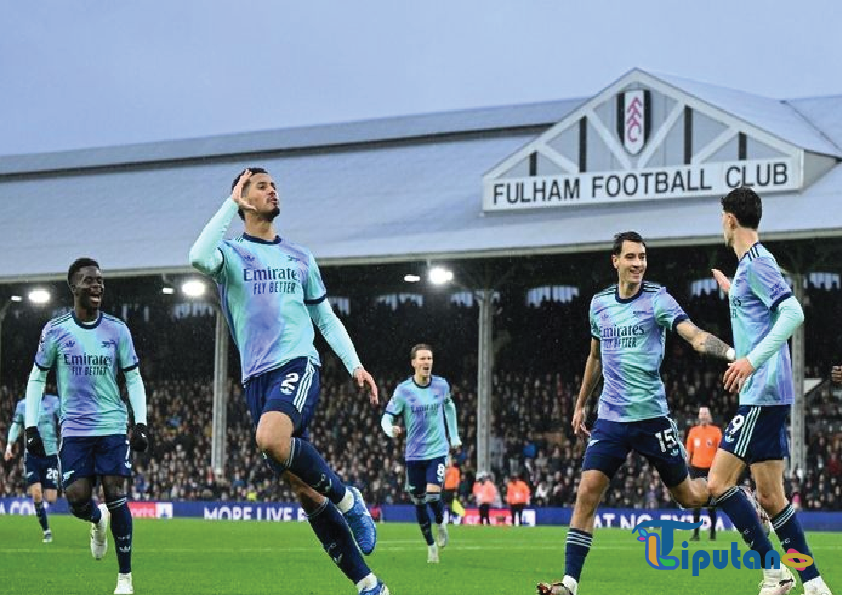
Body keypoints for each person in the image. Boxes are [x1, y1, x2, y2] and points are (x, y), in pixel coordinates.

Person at [189, 168, 387, 595]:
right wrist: (230, 201)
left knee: (270, 439)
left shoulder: (300, 257)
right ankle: (369, 584)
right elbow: (197, 257)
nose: (272, 190)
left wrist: (355, 365)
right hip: (255, 381)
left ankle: (349, 499)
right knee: (304, 491)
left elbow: (324, 317)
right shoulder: (231, 255)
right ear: (244, 199)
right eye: (262, 186)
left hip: (297, 364)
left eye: (273, 185)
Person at [538, 230, 737, 596]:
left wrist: (729, 354)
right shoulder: (599, 304)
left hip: (652, 419)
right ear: (616, 261)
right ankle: (569, 584)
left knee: (688, 497)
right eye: (631, 257)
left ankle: (736, 496)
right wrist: (581, 403)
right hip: (611, 418)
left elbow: (692, 335)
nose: (638, 264)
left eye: (642, 257)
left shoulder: (658, 300)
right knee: (586, 494)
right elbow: (595, 357)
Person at [707, 186, 832, 595]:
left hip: (761, 392)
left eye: (721, 218)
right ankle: (812, 583)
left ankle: (775, 572)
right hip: (769, 394)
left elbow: (792, 311)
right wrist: (733, 293)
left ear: (729, 219)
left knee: (718, 483)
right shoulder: (751, 267)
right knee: (771, 496)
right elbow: (759, 313)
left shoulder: (757, 263)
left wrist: (749, 361)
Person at [23, 258, 148, 595]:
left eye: (101, 281)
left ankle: (125, 578)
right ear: (73, 286)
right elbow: (37, 378)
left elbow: (133, 378)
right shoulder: (56, 330)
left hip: (110, 424)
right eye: (89, 281)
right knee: (77, 499)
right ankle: (96, 520)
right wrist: (30, 426)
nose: (97, 286)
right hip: (75, 430)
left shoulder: (117, 330)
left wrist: (141, 422)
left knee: (116, 492)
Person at [381, 343, 461, 563]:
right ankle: (431, 546)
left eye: (430, 358)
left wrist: (453, 437)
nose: (427, 362)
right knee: (418, 501)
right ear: (414, 363)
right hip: (414, 455)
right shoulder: (403, 390)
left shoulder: (441, 385)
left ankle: (441, 523)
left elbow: (450, 408)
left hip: (437, 450)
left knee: (433, 495)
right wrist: (390, 429)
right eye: (423, 359)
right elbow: (387, 416)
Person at [5, 392, 61, 542]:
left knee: (51, 498)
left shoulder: (54, 402)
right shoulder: (23, 405)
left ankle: (46, 516)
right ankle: (46, 530)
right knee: (36, 494)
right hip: (32, 456)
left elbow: (65, 418)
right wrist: (9, 445)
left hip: (50, 455)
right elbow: (16, 425)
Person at [685, 406, 722, 541]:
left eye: (705, 414)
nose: (703, 416)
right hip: (696, 469)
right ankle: (696, 534)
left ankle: (712, 534)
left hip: (711, 470)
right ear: (699, 416)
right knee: (696, 503)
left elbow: (721, 451)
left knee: (711, 504)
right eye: (701, 414)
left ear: (709, 416)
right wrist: (686, 468)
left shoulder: (716, 432)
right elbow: (689, 452)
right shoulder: (693, 432)